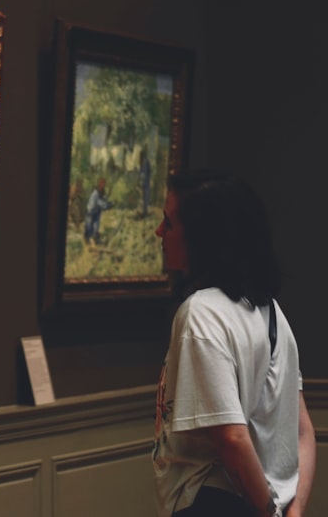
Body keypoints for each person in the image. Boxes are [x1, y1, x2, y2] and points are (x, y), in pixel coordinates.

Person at [152, 170, 315, 517]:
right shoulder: (271, 312)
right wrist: (294, 507)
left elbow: (231, 438)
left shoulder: (201, 313)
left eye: (169, 223)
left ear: (201, 236)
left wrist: (269, 513)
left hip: (215, 504)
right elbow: (303, 431)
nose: (159, 233)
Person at [84, 177, 112, 244]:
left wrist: (108, 203)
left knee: (96, 226)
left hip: (96, 211)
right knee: (89, 226)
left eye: (104, 184)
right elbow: (100, 203)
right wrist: (108, 205)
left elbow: (103, 200)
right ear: (99, 183)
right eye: (102, 183)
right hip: (91, 211)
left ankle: (94, 239)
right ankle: (88, 240)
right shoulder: (96, 192)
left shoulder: (102, 191)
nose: (103, 185)